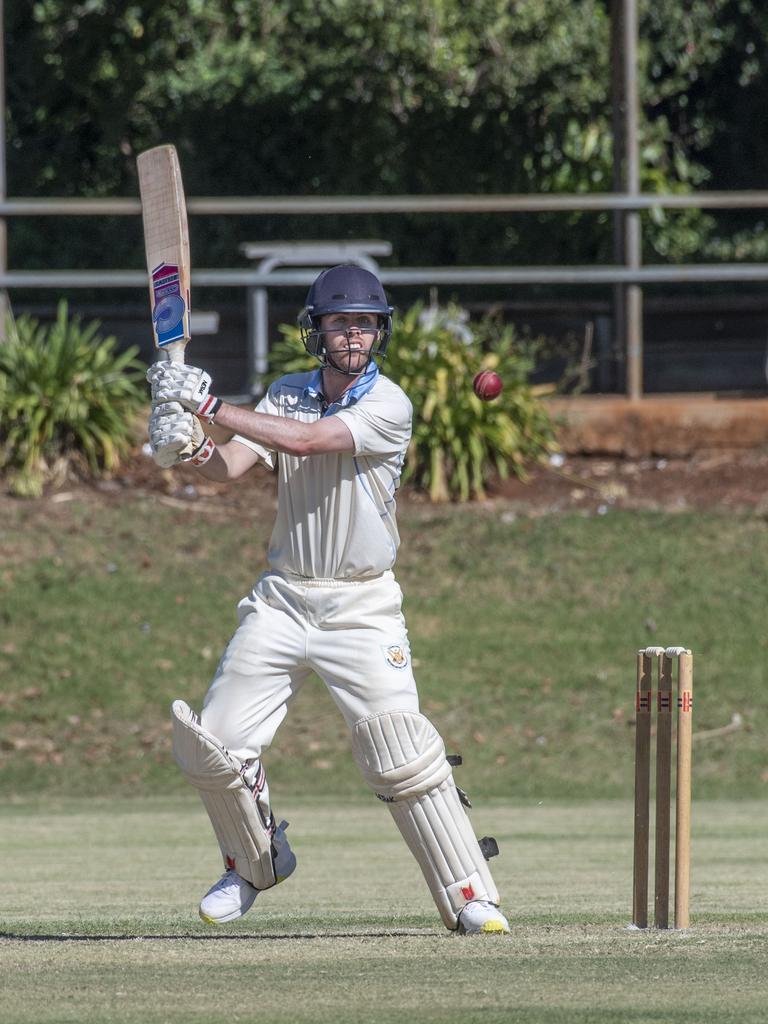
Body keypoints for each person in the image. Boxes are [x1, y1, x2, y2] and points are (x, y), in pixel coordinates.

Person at [146, 264, 509, 935]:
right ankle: (253, 866)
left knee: (401, 752)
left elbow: (310, 443)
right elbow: (235, 462)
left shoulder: (389, 405)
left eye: (365, 324)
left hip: (362, 607)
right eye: (341, 323)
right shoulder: (286, 394)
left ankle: (468, 895)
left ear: (380, 332)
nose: (353, 335)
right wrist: (187, 445)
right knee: (216, 743)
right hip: (283, 600)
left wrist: (206, 406)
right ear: (318, 331)